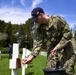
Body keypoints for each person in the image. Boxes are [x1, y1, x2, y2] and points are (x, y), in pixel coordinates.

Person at [22, 7, 76, 75]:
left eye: (36, 19)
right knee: (49, 70)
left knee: (67, 71)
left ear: (41, 15)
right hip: (53, 47)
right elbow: (38, 43)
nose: (35, 22)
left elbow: (68, 34)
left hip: (67, 46)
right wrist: (31, 56)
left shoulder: (57, 20)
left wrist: (58, 47)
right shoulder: (40, 29)